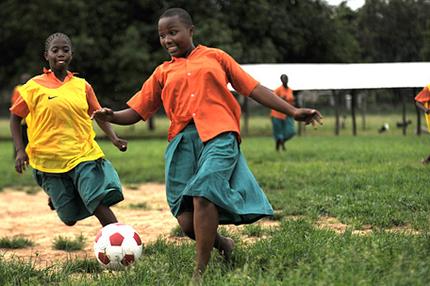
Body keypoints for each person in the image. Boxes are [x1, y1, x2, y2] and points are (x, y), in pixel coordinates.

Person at [92, 8, 322, 279]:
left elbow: (254, 89)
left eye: (173, 32)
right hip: (182, 143)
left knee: (204, 193)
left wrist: (293, 111)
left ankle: (199, 274)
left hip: (219, 136)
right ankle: (224, 244)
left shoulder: (216, 57)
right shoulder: (162, 72)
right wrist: (113, 116)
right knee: (187, 222)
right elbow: (138, 111)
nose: (167, 39)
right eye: (162, 35)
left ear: (191, 30)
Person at [10, 32, 127, 227]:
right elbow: (15, 118)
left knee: (96, 199)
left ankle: (121, 242)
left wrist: (114, 138)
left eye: (65, 49)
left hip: (82, 154)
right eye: (55, 50)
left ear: (71, 54)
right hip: (48, 159)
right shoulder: (33, 87)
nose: (60, 53)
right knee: (69, 218)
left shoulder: (82, 86)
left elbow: (98, 114)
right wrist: (21, 150)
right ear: (46, 56)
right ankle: (58, 199)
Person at [270, 74, 296, 151]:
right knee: (278, 132)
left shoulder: (290, 90)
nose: (285, 80)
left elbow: (291, 101)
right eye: (283, 79)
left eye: (286, 78)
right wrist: (280, 99)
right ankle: (278, 147)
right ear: (281, 80)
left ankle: (282, 141)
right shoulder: (278, 90)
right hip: (277, 114)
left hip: (287, 113)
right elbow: (272, 99)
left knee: (291, 131)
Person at [10, 73, 31, 158]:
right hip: (23, 118)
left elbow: (13, 101)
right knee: (23, 137)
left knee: (24, 138)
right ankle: (18, 154)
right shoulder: (19, 89)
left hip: (26, 118)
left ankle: (21, 154)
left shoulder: (26, 88)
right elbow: (15, 102)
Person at [415, 84, 430, 164]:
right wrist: (426, 109)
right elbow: (418, 102)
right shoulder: (428, 88)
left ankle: (426, 161)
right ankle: (426, 161)